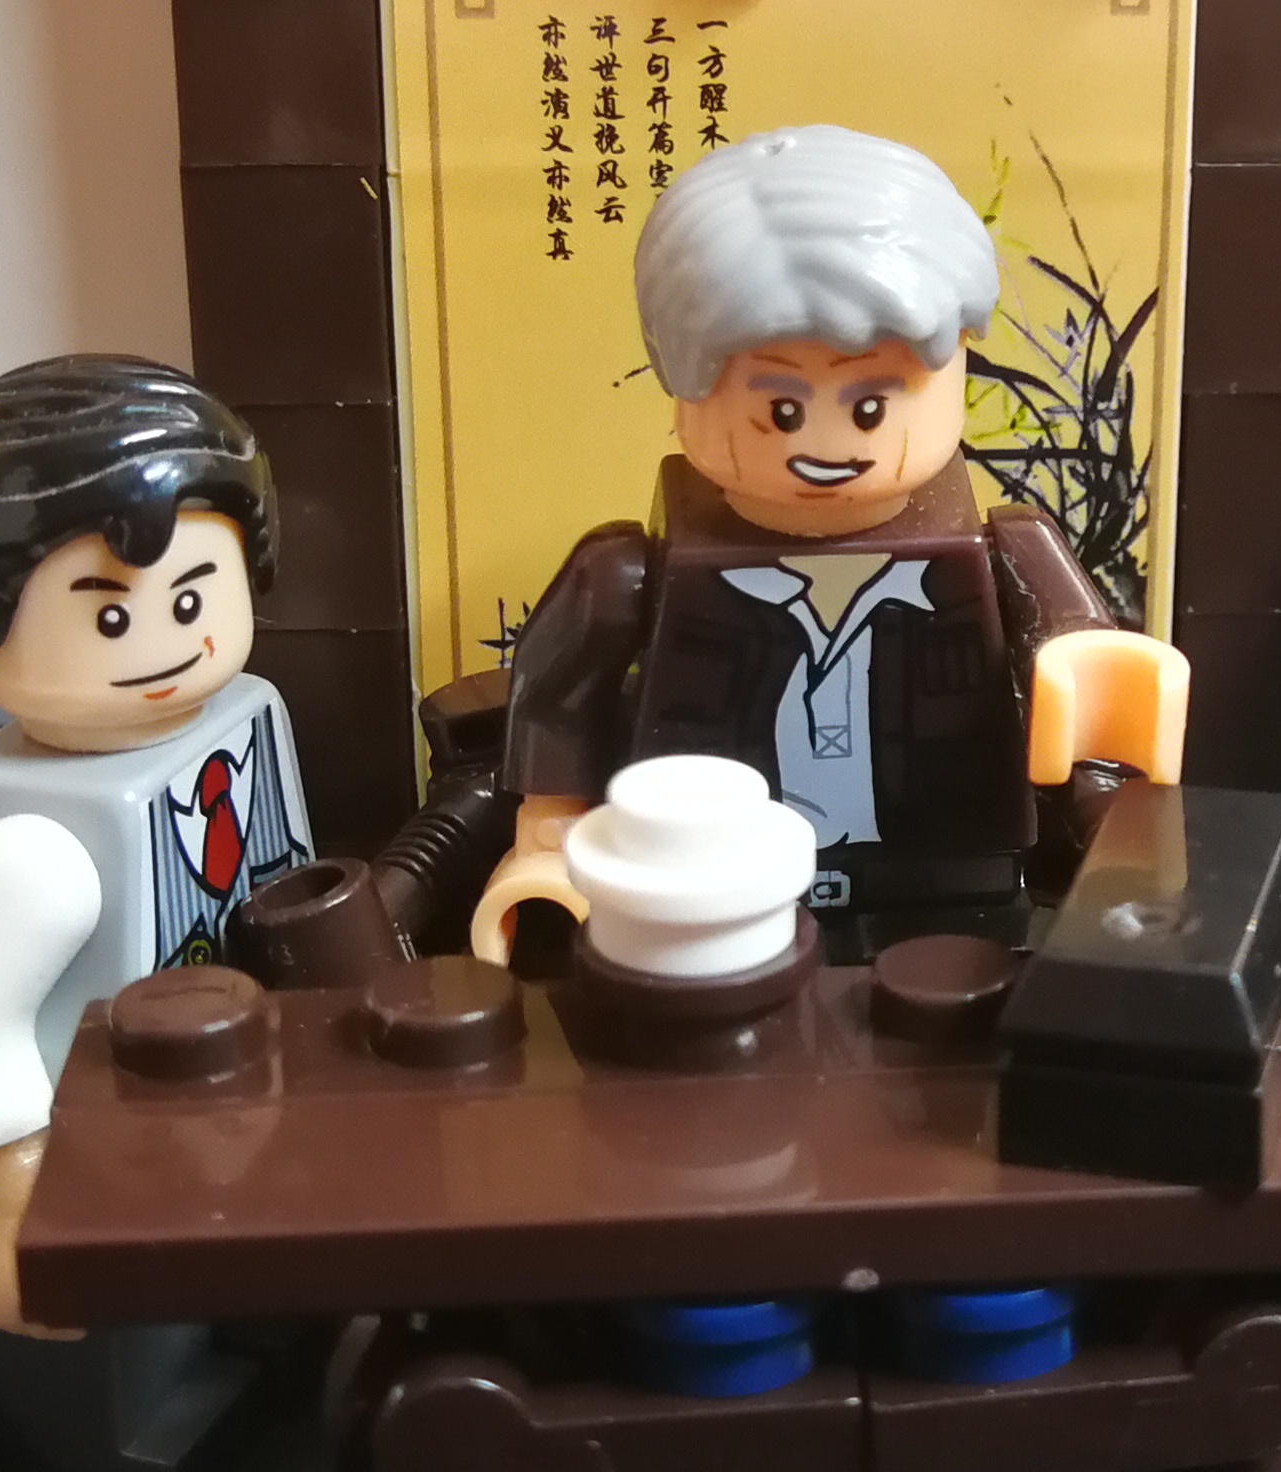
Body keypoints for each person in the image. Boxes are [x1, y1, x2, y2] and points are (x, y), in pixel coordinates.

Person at [473, 125, 1187, 964]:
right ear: (680, 376)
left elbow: (1092, 697)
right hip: (709, 904)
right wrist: (550, 839)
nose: (824, 445)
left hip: (951, 889)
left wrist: (1109, 817)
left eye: (870, 406)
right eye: (781, 408)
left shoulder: (1007, 554)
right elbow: (562, 698)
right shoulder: (628, 572)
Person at [0, 354, 309, 1345]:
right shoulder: (35, 844)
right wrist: (15, 1191)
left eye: (193, 597)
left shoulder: (245, 719)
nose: (163, 643)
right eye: (110, 615)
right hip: (122, 1155)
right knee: (156, 1344)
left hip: (253, 1105)